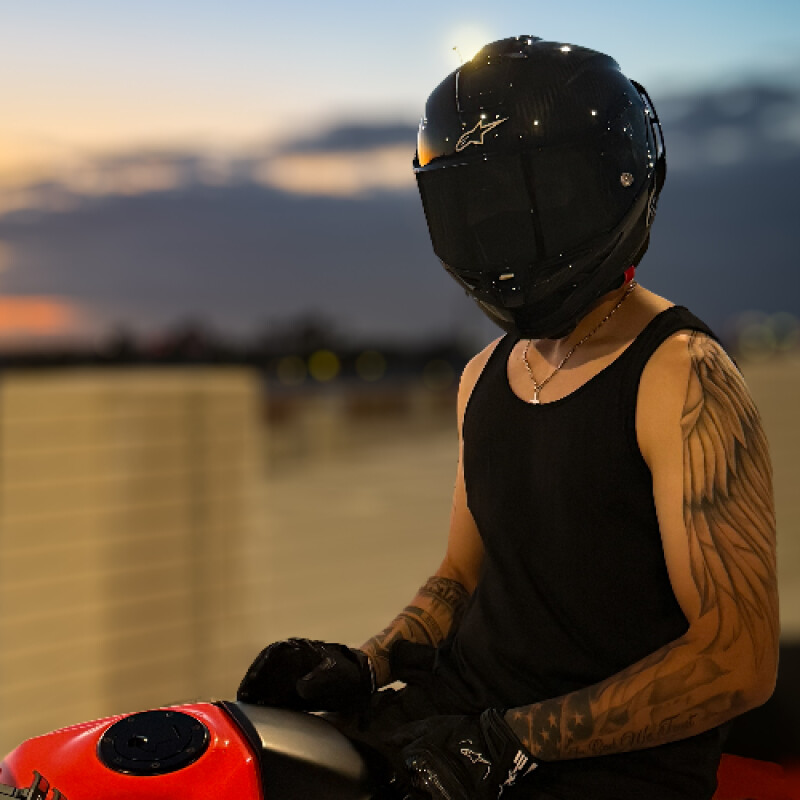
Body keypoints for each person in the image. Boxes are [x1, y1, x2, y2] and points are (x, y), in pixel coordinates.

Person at [237, 36, 779, 800]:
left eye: (537, 196)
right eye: (481, 201)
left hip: (606, 765)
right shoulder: (483, 377)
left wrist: (512, 744)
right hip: (459, 727)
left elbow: (738, 660)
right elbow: (460, 578)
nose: (504, 228)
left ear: (607, 184)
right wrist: (366, 663)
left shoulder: (684, 376)